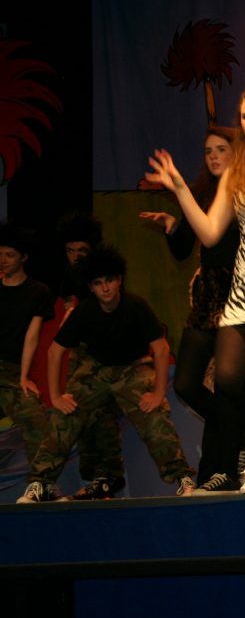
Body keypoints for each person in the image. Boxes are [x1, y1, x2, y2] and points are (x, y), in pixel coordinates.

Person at [145, 86, 245, 493]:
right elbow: (210, 233)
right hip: (244, 290)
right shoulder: (236, 171)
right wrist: (179, 187)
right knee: (229, 380)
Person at [17, 245, 196, 503]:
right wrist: (56, 396)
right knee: (66, 413)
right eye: (98, 283)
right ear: (91, 287)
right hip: (96, 370)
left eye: (110, 280)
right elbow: (55, 351)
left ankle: (183, 477)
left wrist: (158, 392)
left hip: (131, 368)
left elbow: (161, 349)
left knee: (155, 416)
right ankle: (40, 483)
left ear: (119, 280)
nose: (106, 288)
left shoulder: (136, 306)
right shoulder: (85, 311)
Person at [139, 126, 241, 492]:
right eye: (208, 151)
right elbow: (184, 248)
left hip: (239, 293)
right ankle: (243, 432)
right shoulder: (200, 192)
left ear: (237, 153)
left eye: (221, 149)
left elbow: (224, 239)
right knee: (185, 383)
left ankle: (221, 471)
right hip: (207, 295)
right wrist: (171, 226)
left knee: (228, 386)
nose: (213, 156)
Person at [39, 213, 126, 499]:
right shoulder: (69, 275)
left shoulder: (105, 276)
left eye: (81, 250)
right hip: (81, 351)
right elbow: (68, 306)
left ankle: (109, 476)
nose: (75, 256)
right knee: (79, 412)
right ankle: (93, 477)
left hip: (108, 353)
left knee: (103, 414)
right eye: (70, 250)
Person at [0, 225, 54, 483]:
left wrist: (23, 377)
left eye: (9, 255)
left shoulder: (37, 292)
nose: (3, 260)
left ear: (24, 257)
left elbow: (31, 336)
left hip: (12, 371)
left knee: (35, 418)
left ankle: (41, 484)